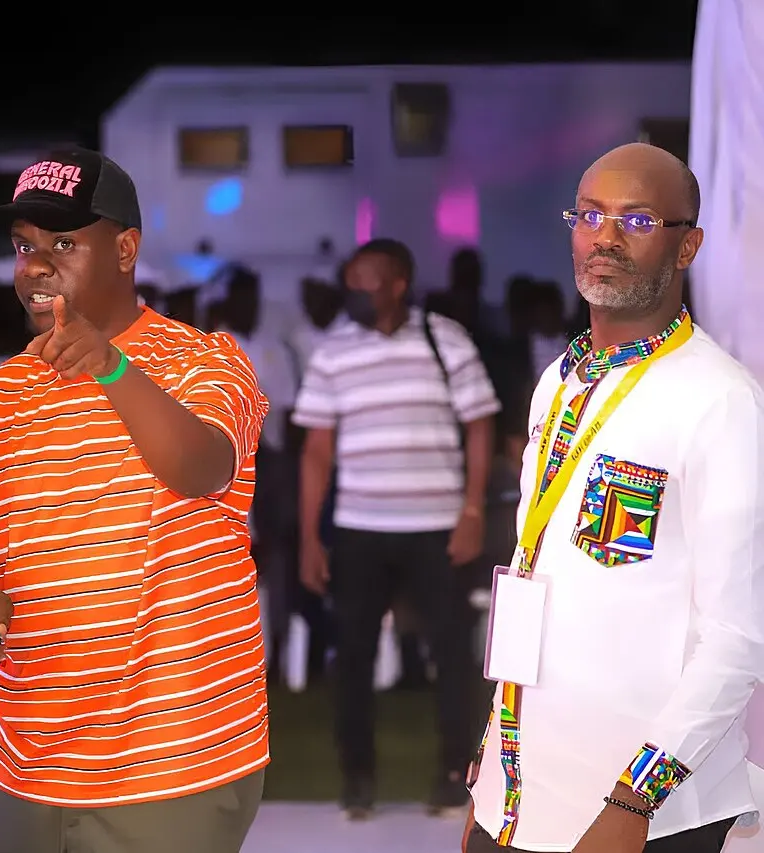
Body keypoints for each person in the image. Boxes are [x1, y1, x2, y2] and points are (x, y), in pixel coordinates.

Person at [0, 147, 270, 853]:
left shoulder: (205, 360)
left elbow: (201, 467)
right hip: (21, 766)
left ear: (125, 250)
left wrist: (111, 366)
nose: (37, 266)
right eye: (24, 246)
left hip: (172, 762)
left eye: (63, 244)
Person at [464, 142, 764, 853]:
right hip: (522, 791)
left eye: (636, 220)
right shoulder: (560, 381)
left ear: (687, 246)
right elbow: (533, 573)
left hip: (644, 806)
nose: (605, 236)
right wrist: (495, 765)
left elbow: (738, 634)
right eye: (590, 215)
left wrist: (635, 799)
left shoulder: (720, 400)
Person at [293, 237, 500, 820]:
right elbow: (316, 451)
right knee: (353, 656)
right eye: (350, 281)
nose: (353, 291)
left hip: (437, 527)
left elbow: (480, 426)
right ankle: (357, 778)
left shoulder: (444, 339)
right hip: (360, 528)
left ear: (398, 284)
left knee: (452, 653)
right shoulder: (334, 350)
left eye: (365, 280)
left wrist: (473, 510)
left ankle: (455, 773)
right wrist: (310, 537)